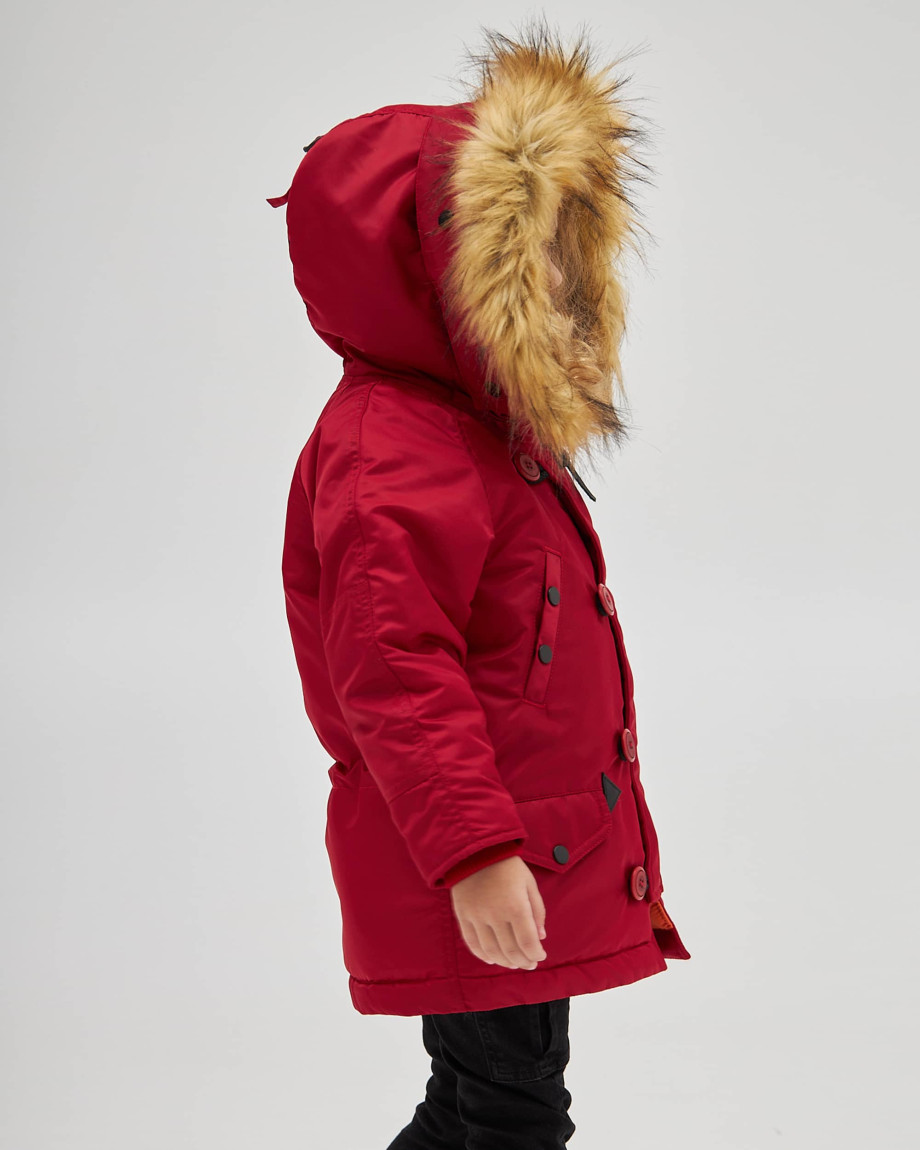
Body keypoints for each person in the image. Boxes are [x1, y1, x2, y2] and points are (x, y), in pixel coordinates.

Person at [267, 17, 691, 1148]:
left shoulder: (471, 431)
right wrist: (474, 854)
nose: (555, 277)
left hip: (529, 843)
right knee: (510, 1110)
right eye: (522, 252)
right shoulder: (393, 453)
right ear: (431, 270)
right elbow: (394, 672)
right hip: (484, 855)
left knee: (473, 1103)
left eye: (560, 248)